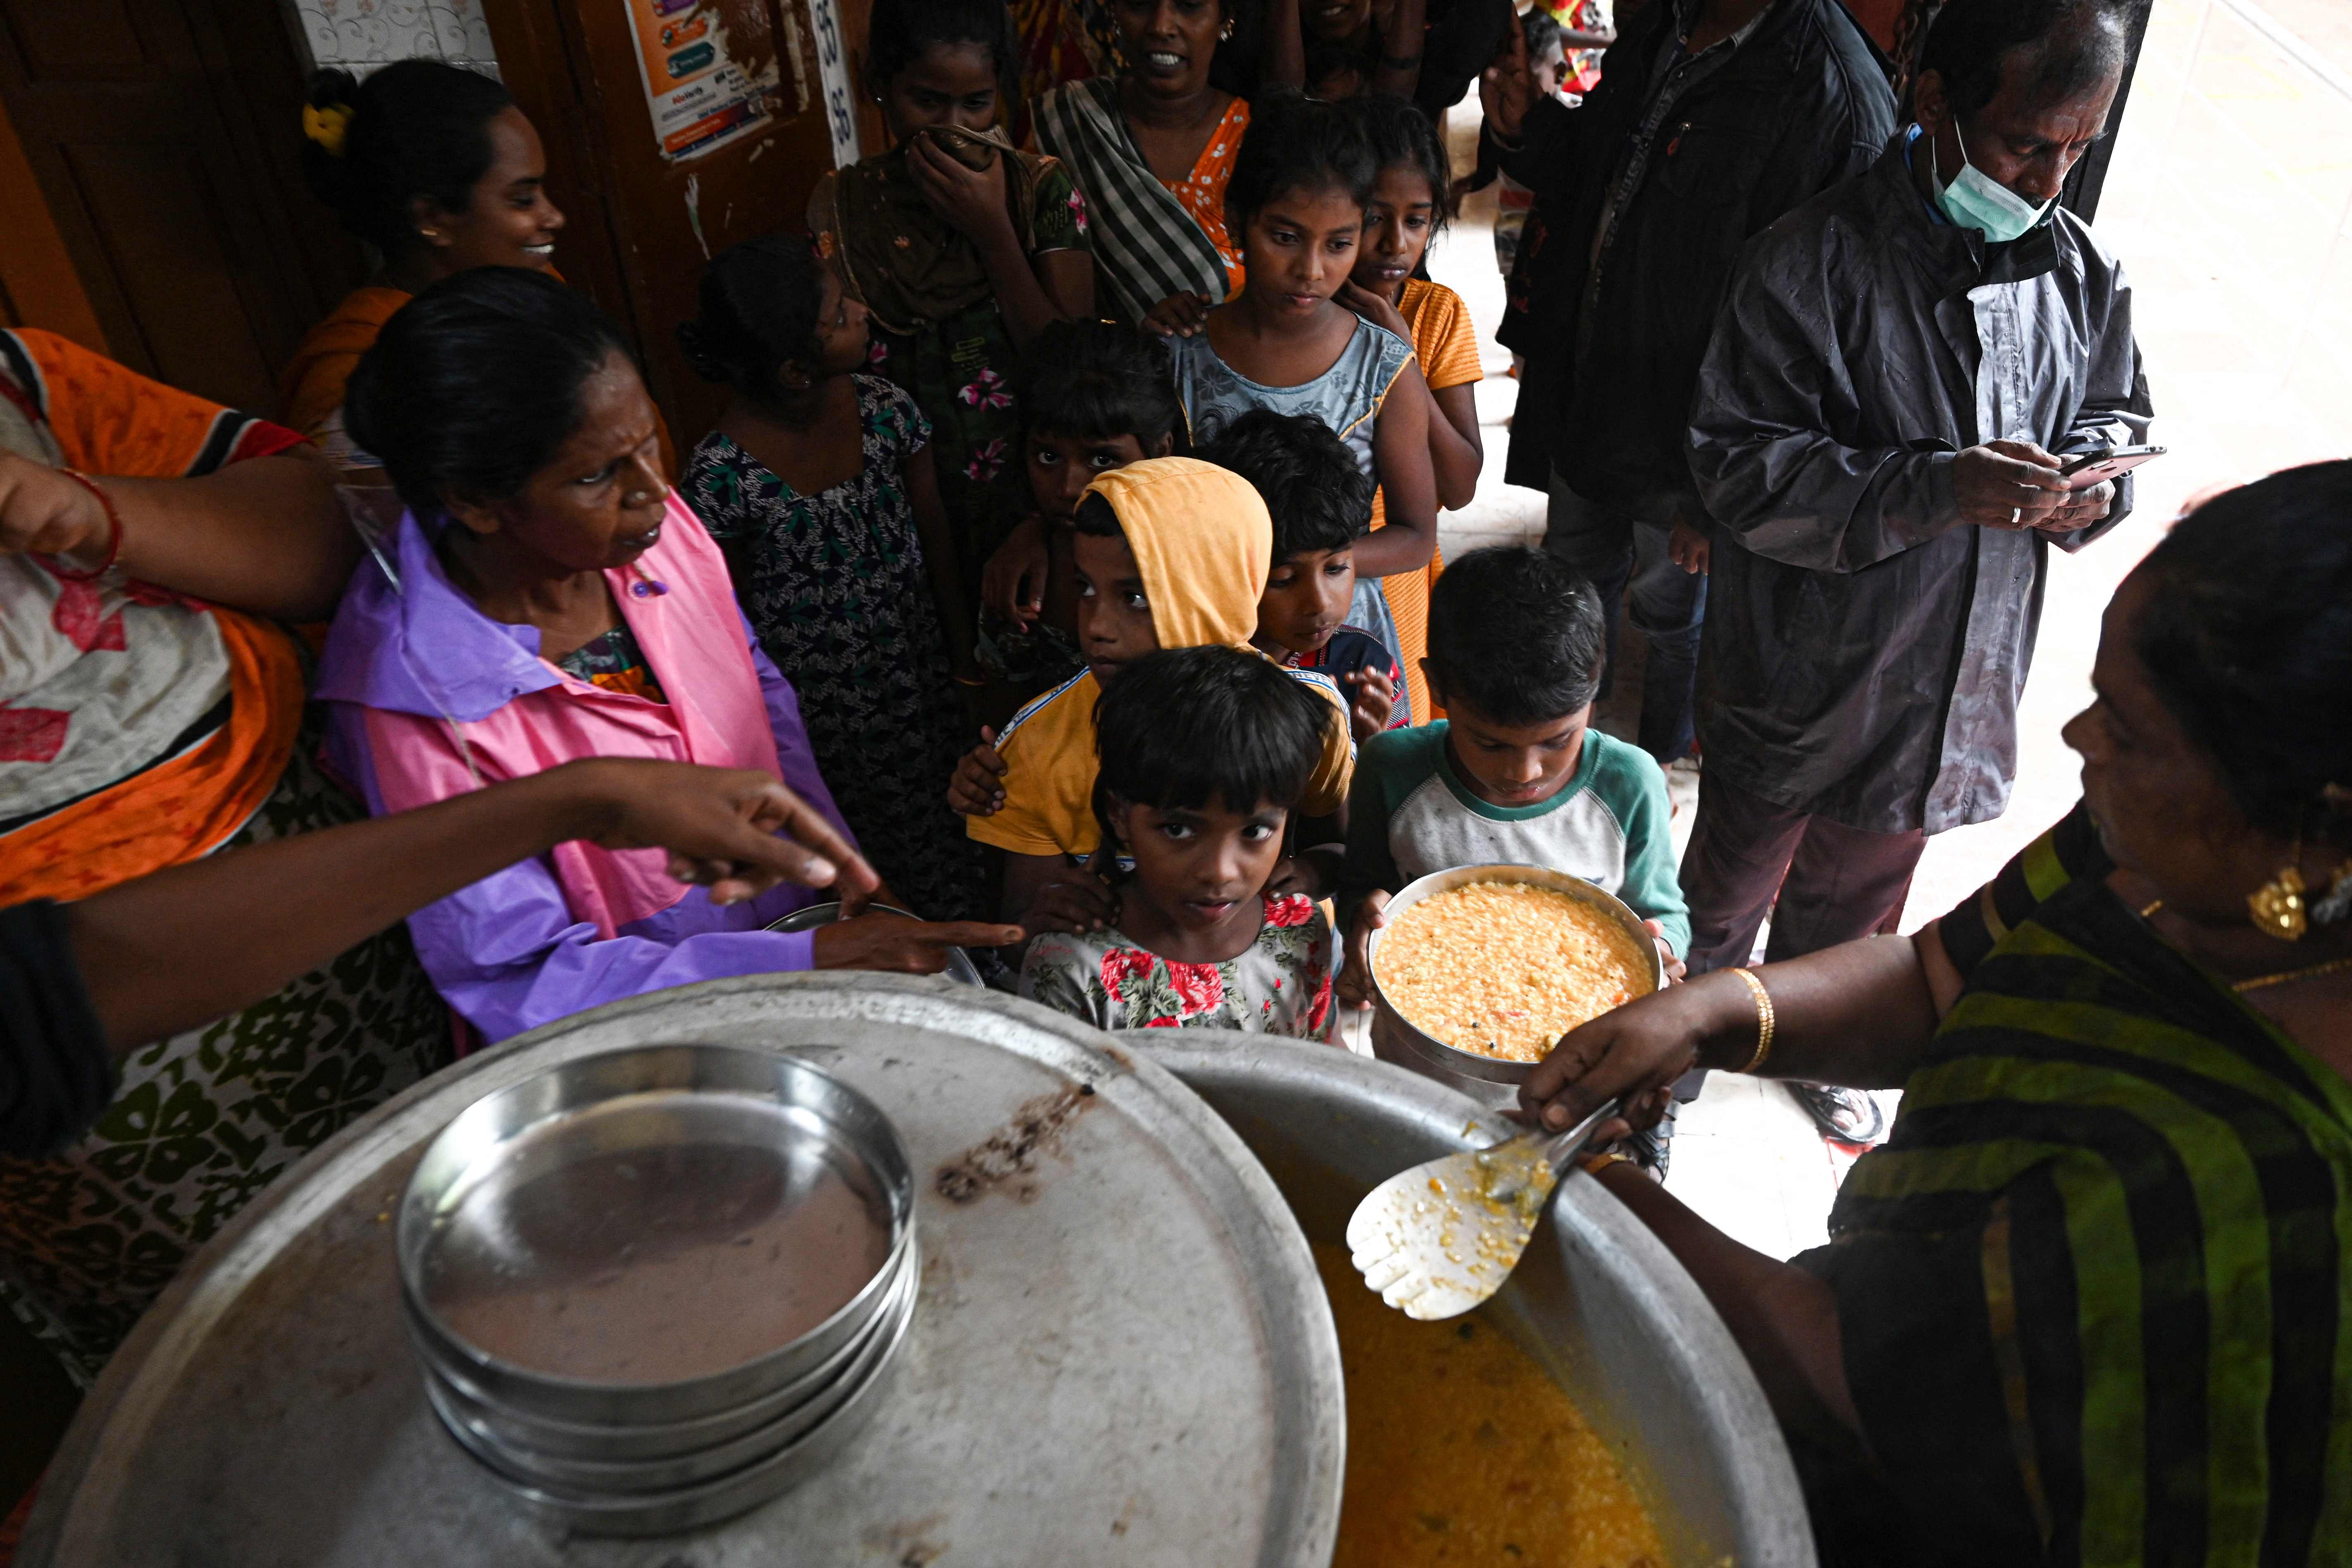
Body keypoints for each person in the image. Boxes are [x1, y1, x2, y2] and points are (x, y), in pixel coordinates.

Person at [1516, 462, 2352, 1566]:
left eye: (2134, 734)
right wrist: (1715, 1009)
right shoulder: (2166, 855)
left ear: (2310, 828)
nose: (2076, 737)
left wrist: (1580, 1185)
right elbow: (1935, 976)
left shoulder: (2249, 1197)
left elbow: (1861, 1390)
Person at [317, 271, 1020, 1046]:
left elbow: (762, 703)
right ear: (477, 501)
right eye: (594, 476)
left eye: (647, 441)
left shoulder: (651, 534)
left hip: (795, 950)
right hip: (635, 1051)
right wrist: (797, 962)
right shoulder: (416, 703)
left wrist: (845, 875)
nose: (655, 490)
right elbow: (522, 979)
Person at [1680, 0, 2151, 1141]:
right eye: (2022, 142)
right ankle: (1668, 1061)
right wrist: (1937, 489)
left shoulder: (2080, 273)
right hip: (1803, 664)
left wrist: (2091, 485)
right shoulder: (1808, 260)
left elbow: (2118, 415)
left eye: (2074, 150)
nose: (2045, 178)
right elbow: (1742, 469)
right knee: (1723, 892)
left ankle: (1812, 1037)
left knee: (1862, 892)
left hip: (1953, 666)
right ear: (1933, 101)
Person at [0, 329, 448, 1386]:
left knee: (460, 1207)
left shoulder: (23, 380)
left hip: (326, 865)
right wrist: (566, 805)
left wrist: (83, 511)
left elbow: (319, 528)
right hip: (89, 1060)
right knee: (264, 1356)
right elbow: (55, 996)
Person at [1481, 0, 1897, 768]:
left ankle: (1659, 765)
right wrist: (1524, 126)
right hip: (1596, 389)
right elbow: (1593, 172)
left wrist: (1718, 490)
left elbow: (1817, 329)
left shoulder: (1833, 94)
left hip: (1692, 446)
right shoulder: (1663, 27)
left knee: (1673, 614)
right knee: (1575, 582)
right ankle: (1574, 760)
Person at [1337, 547, 1689, 1169]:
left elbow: (1662, 911)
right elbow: (1361, 886)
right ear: (1437, 687)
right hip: (1424, 1067)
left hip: (1575, 1077)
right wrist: (1360, 918)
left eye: (1557, 740)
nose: (1523, 771)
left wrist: (1663, 952)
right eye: (1489, 742)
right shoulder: (1391, 769)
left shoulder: (1628, 783)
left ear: (1594, 691)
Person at [677, 234, 984, 922]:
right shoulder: (722, 482)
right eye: (841, 315)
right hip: (824, 726)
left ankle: (969, 954)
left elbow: (937, 541)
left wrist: (964, 661)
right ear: (793, 371)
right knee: (864, 857)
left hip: (920, 681)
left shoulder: (885, 411)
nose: (862, 311)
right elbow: (722, 633)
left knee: (952, 828)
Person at [949, 458, 1354, 934]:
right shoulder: (1039, 745)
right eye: (1084, 588)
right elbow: (1019, 928)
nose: (1097, 627)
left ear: (1216, 589)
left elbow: (1338, 850)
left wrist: (1311, 874)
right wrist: (1050, 920)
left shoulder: (1310, 717)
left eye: (1136, 597)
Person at [808, 0, 1093, 654]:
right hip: (902, 519)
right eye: (926, 101)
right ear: (878, 84)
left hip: (1034, 506)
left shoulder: (1037, 193)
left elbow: (1071, 367)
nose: (951, 128)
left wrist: (991, 231)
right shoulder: (846, 210)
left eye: (976, 104)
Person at [1156, 93, 1436, 721]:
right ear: (1235, 221)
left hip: (1342, 649)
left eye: (1337, 244)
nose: (1310, 269)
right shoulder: (1180, 357)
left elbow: (1416, 535)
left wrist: (1313, 571)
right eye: (1284, 237)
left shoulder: (1383, 364)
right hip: (1214, 640)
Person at [282, 62, 587, 472]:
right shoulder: (356, 380)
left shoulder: (537, 290)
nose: (555, 217)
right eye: (523, 200)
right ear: (432, 218)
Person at [1020, 646, 1338, 1037]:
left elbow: (1327, 1061)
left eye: (1254, 831)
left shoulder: (1301, 930)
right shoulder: (1073, 969)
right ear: (1120, 815)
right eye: (1178, 830)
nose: (1219, 872)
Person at [1339, 92, 1482, 724]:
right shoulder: (1291, 312)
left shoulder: (1433, 315)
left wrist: (1402, 357)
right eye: (1373, 217)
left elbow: (1457, 486)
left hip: (1397, 579)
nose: (1395, 243)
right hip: (1293, 579)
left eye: (1417, 220)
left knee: (1387, 751)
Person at [976, 321, 1183, 696]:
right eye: (1048, 456)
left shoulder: (1191, 562)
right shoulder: (1014, 571)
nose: (1070, 488)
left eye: (1103, 459)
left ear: (1161, 451)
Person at [1032, 0, 1252, 328]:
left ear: (1225, 19)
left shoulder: (1259, 141)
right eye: (1139, 4)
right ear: (1114, 14)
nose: (1161, 26)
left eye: (1189, 6)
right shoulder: (1063, 120)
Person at [1196, 409, 1401, 742]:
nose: (1319, 604)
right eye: (1284, 579)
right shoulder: (1199, 667)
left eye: (1335, 568)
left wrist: (1368, 752)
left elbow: (1393, 787)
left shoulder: (1363, 666)